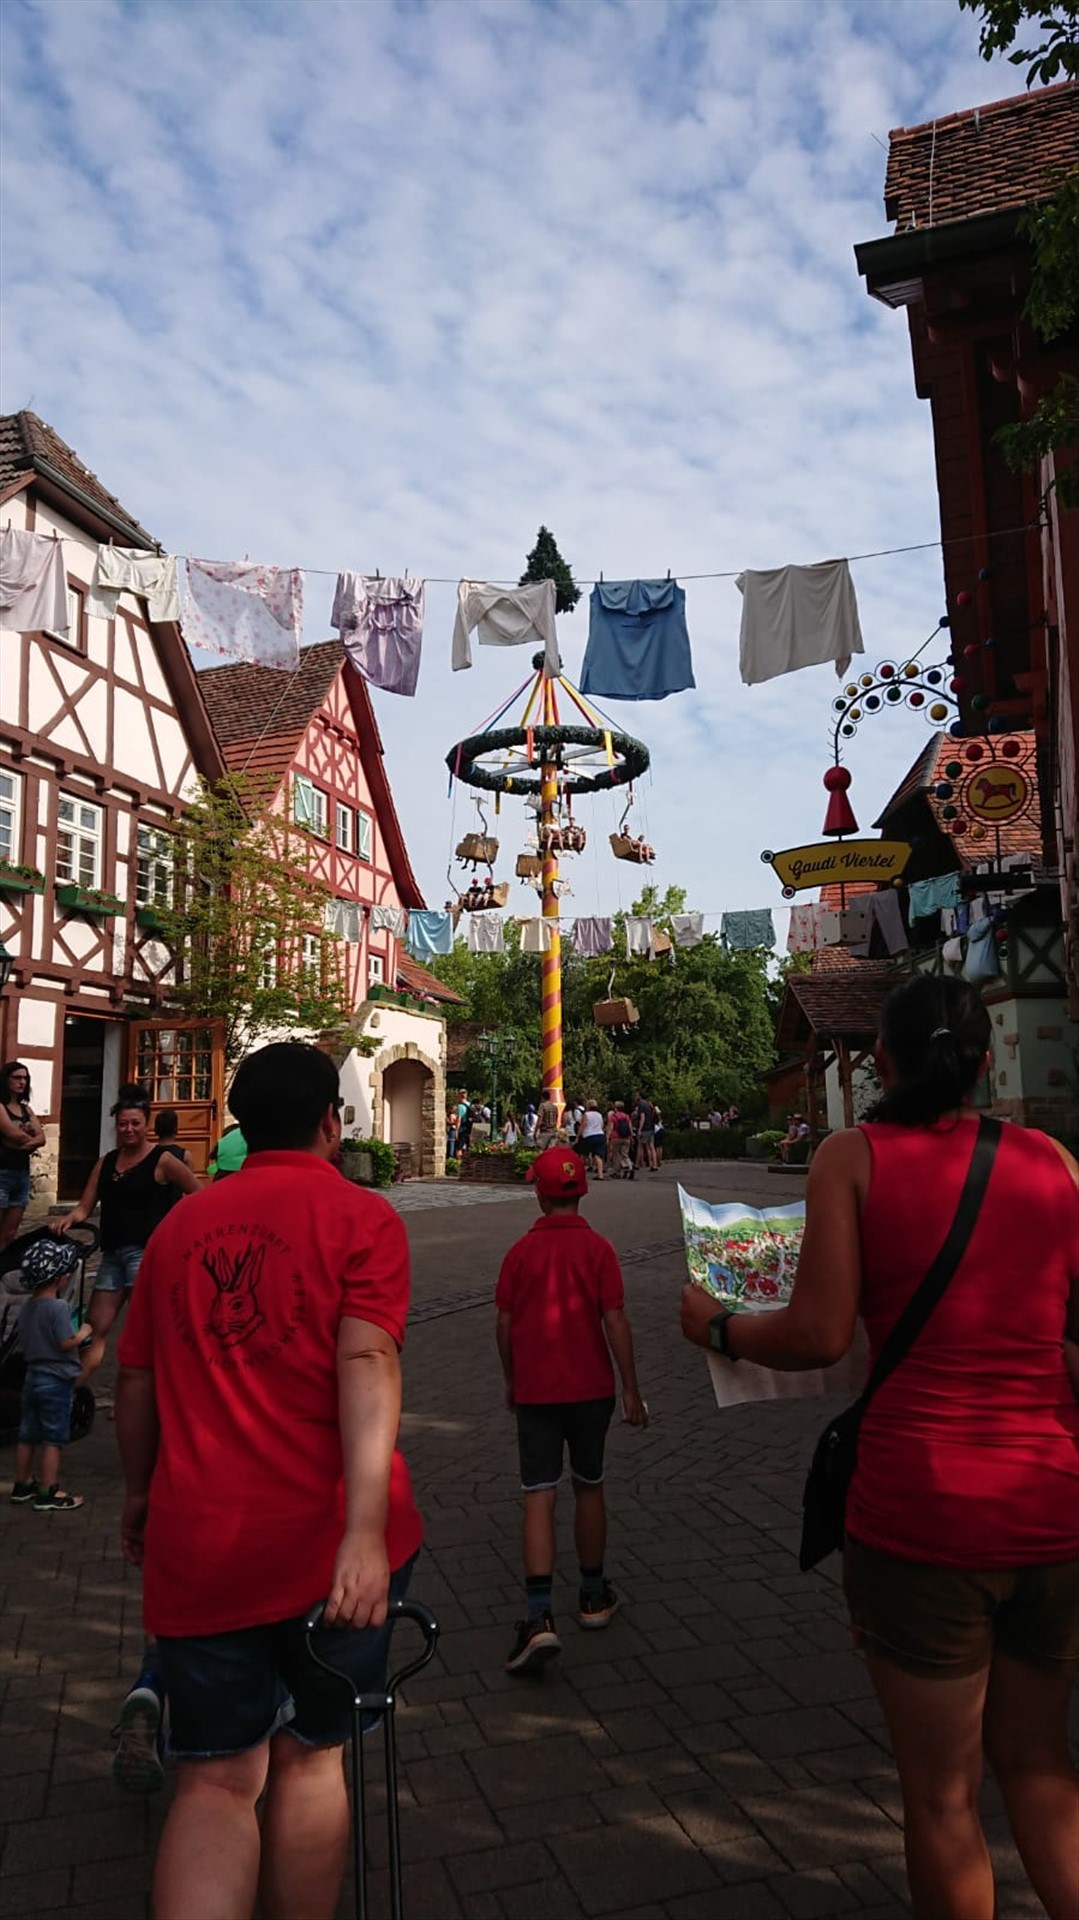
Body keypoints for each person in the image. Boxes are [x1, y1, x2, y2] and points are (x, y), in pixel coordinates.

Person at [680, 976, 1079, 1920]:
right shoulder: (1055, 1162)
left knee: (942, 1799)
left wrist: (719, 1326)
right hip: (1051, 1499)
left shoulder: (849, 1158)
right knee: (1040, 1764)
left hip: (922, 1508)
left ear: (881, 1061)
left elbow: (819, 1334)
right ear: (983, 1063)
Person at [115, 1040, 424, 1920]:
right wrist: (363, 1529)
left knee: (213, 1782)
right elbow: (366, 1359)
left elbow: (134, 1381)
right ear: (332, 1121)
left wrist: (139, 1495)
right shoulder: (362, 1218)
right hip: (331, 1543)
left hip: (202, 1541)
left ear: (241, 1127)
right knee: (311, 1760)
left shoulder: (180, 1227)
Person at [495, 1146, 648, 1674]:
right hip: (592, 1391)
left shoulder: (519, 1253)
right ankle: (592, 1595)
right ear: (582, 1191)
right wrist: (631, 1389)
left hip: (537, 1392)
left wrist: (512, 1380)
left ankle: (538, 1616)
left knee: (538, 1495)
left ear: (538, 1194)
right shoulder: (600, 1250)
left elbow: (504, 1324)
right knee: (589, 1485)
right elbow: (616, 1320)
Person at [61, 1085, 200, 1381]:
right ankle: (69, 1393)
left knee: (148, 1330)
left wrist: (180, 1226)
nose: (129, 1129)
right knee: (94, 1327)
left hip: (146, 1255)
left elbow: (198, 1194)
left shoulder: (163, 1159)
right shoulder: (107, 1162)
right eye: (123, 1124)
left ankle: (155, 1392)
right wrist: (68, 1221)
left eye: (135, 1123)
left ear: (146, 1124)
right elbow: (84, 1207)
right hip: (112, 1254)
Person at [10, 1236, 93, 1511]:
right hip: (55, 1382)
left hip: (31, 1378)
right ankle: (49, 1490)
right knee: (53, 1439)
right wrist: (83, 1331)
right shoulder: (57, 1308)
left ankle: (22, 1483)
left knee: (27, 1436)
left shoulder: (27, 1308)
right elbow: (65, 1343)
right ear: (59, 1279)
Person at [0, 1060, 46, 1251]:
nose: (22, 1082)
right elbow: (13, 1134)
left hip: (21, 1174)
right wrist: (28, 1140)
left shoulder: (26, 1109)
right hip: (2, 1173)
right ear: (6, 1080)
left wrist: (21, 1144)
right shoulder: (1, 1107)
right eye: (17, 1078)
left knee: (10, 1233)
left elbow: (41, 1138)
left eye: (25, 1078)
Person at [577, 1101, 606, 1180]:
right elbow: (602, 1125)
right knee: (597, 1155)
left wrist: (578, 1136)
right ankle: (600, 1174)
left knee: (584, 1155)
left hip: (588, 1135)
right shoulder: (599, 1115)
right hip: (600, 1135)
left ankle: (580, 1173)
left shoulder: (586, 1114)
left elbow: (583, 1125)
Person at [606, 1102, 633, 1179]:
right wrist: (631, 1136)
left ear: (616, 1108)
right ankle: (630, 1166)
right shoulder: (627, 1116)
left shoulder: (613, 1116)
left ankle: (617, 1172)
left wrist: (608, 1137)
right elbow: (630, 1127)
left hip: (616, 1137)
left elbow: (611, 1128)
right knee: (625, 1154)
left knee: (616, 1155)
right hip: (626, 1138)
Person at [632, 1091, 657, 1172]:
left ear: (640, 1096)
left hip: (644, 1128)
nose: (635, 1096)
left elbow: (642, 1117)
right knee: (651, 1146)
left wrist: (639, 1129)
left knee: (640, 1146)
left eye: (637, 1095)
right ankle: (655, 1164)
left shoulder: (641, 1104)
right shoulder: (648, 1104)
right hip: (651, 1127)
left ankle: (637, 1164)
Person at [652, 1104, 665, 1168]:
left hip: (656, 1130)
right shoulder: (659, 1116)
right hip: (661, 1129)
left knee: (657, 1146)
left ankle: (657, 1161)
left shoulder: (653, 1117)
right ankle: (659, 1160)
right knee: (660, 1146)